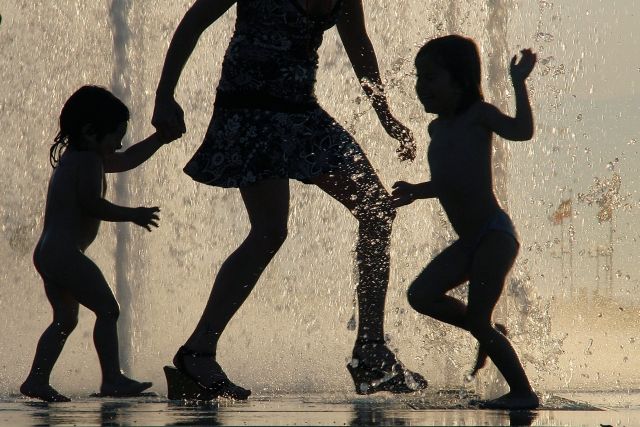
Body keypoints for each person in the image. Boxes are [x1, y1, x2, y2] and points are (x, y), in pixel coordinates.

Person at [152, 0, 428, 398]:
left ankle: (370, 349)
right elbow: (194, 21)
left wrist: (387, 117)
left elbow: (361, 49)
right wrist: (165, 95)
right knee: (268, 232)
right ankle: (198, 351)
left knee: (377, 210)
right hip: (249, 112)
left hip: (301, 114)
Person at [391, 35, 539, 409]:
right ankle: (488, 332)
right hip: (470, 240)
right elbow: (448, 183)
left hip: (494, 235)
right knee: (420, 295)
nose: (420, 87)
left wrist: (518, 84)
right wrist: (414, 191)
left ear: (458, 80)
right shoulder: (436, 130)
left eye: (430, 78)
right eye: (418, 77)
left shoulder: (480, 115)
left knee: (478, 317)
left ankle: (523, 392)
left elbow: (522, 131)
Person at [21, 85, 180, 402]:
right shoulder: (89, 163)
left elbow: (128, 159)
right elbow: (92, 204)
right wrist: (132, 214)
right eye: (116, 136)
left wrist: (160, 139)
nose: (119, 144)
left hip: (49, 253)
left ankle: (36, 380)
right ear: (91, 132)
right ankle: (112, 379)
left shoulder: (79, 157)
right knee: (108, 310)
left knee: (65, 320)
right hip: (65, 254)